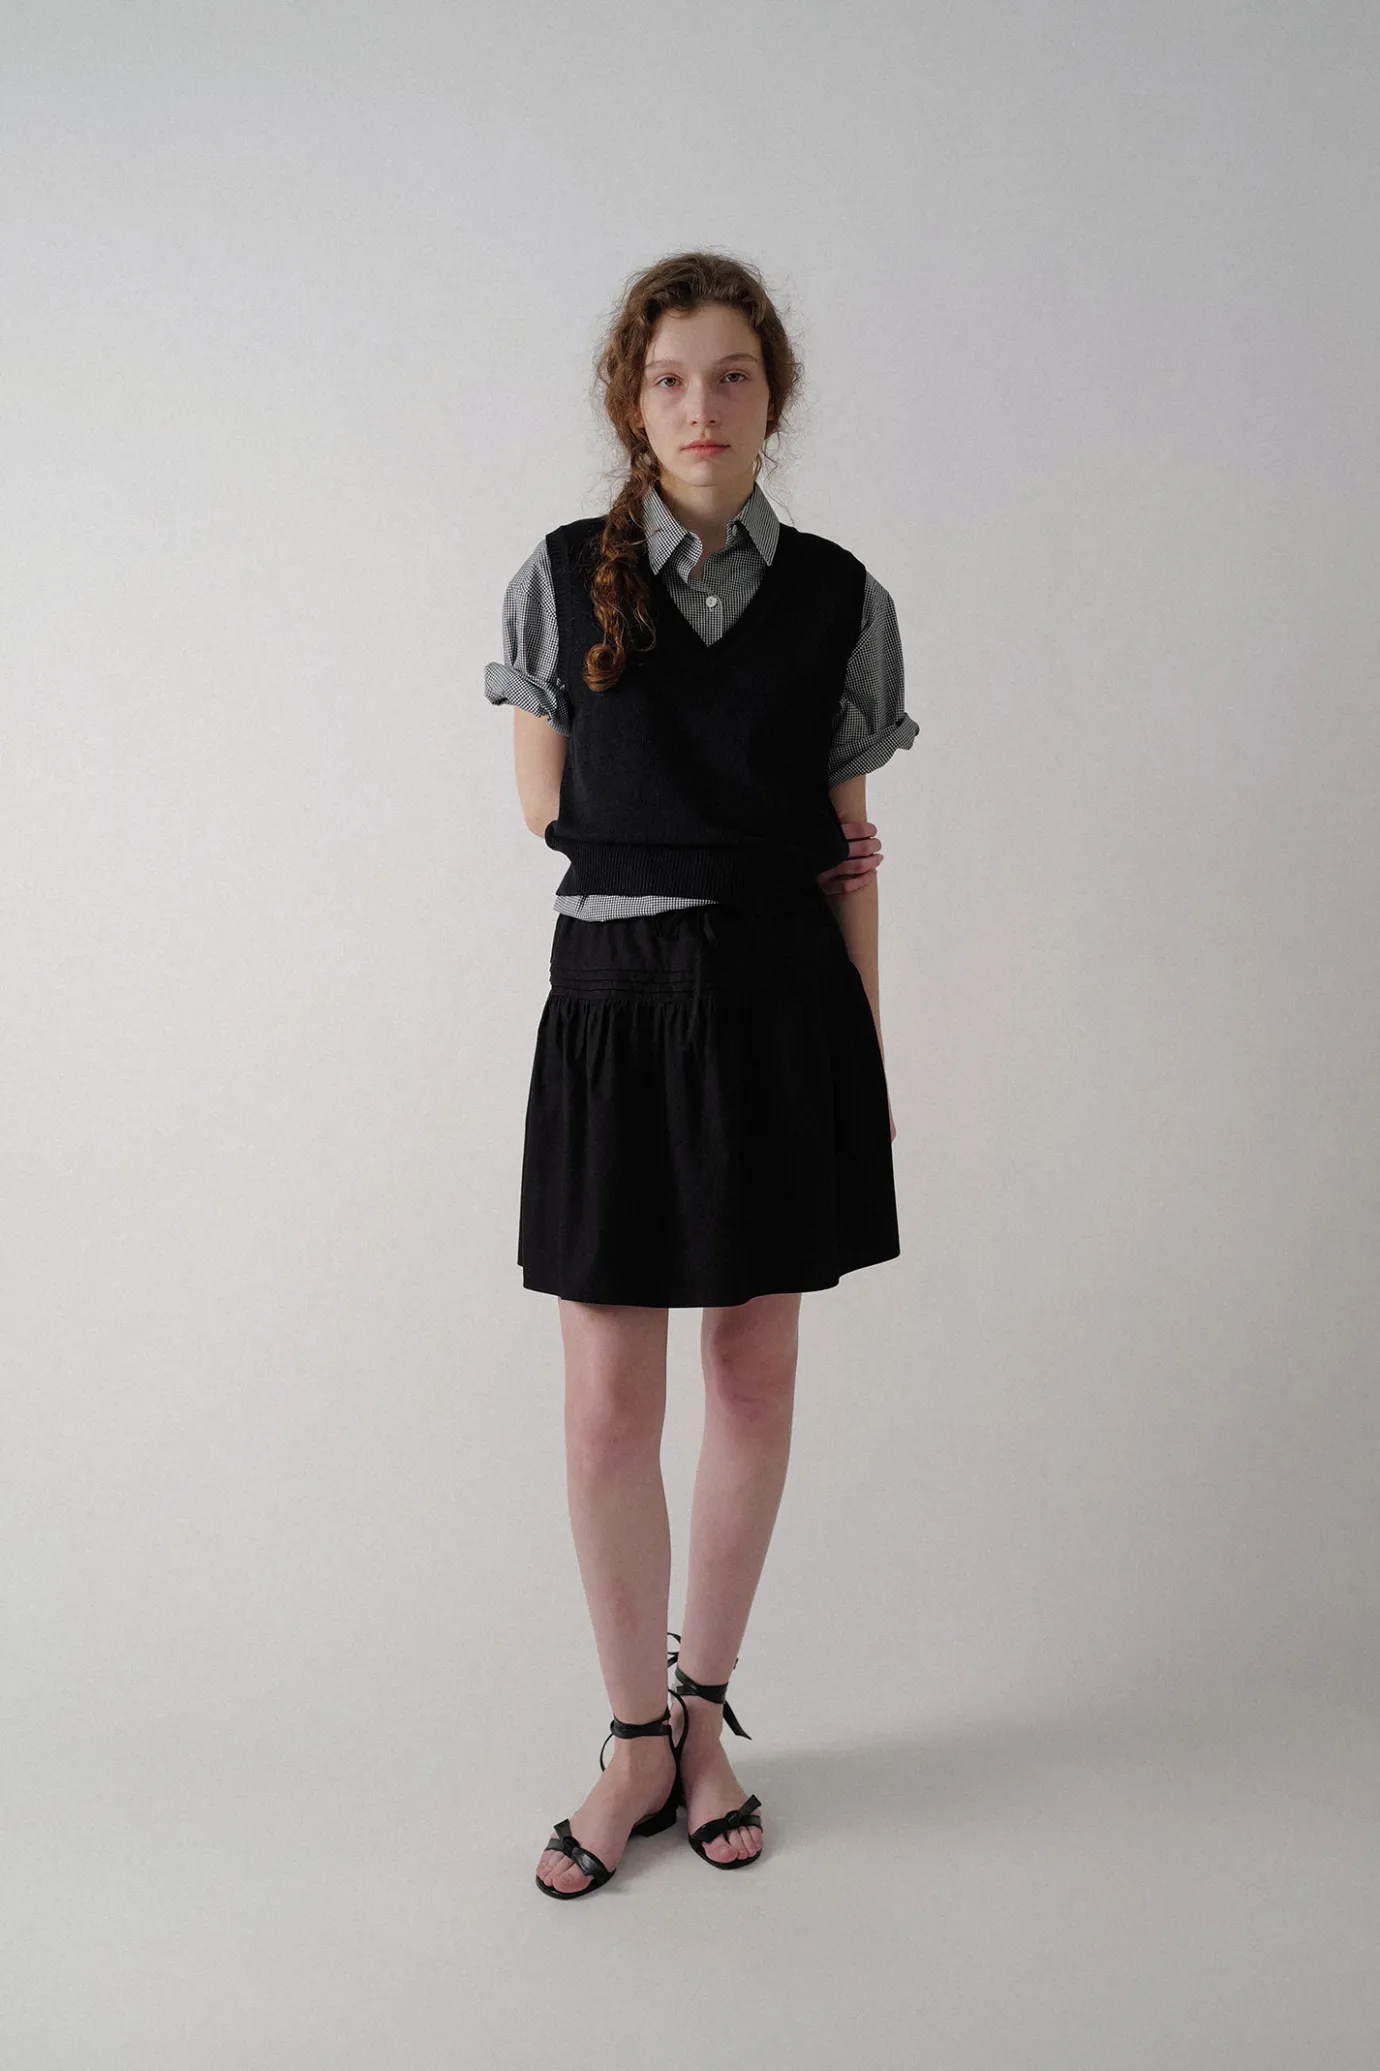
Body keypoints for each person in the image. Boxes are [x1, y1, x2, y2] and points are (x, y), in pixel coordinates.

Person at [483, 251, 917, 1897]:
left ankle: (707, 1710)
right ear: (632, 398)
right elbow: (553, 810)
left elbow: (852, 853)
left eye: (733, 375)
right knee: (608, 1399)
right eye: (671, 378)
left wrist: (866, 1052)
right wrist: (762, 834)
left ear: (771, 395)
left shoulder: (842, 598)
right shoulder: (556, 577)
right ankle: (632, 1740)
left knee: (752, 1379)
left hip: (782, 1008)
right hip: (616, 1005)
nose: (702, 406)